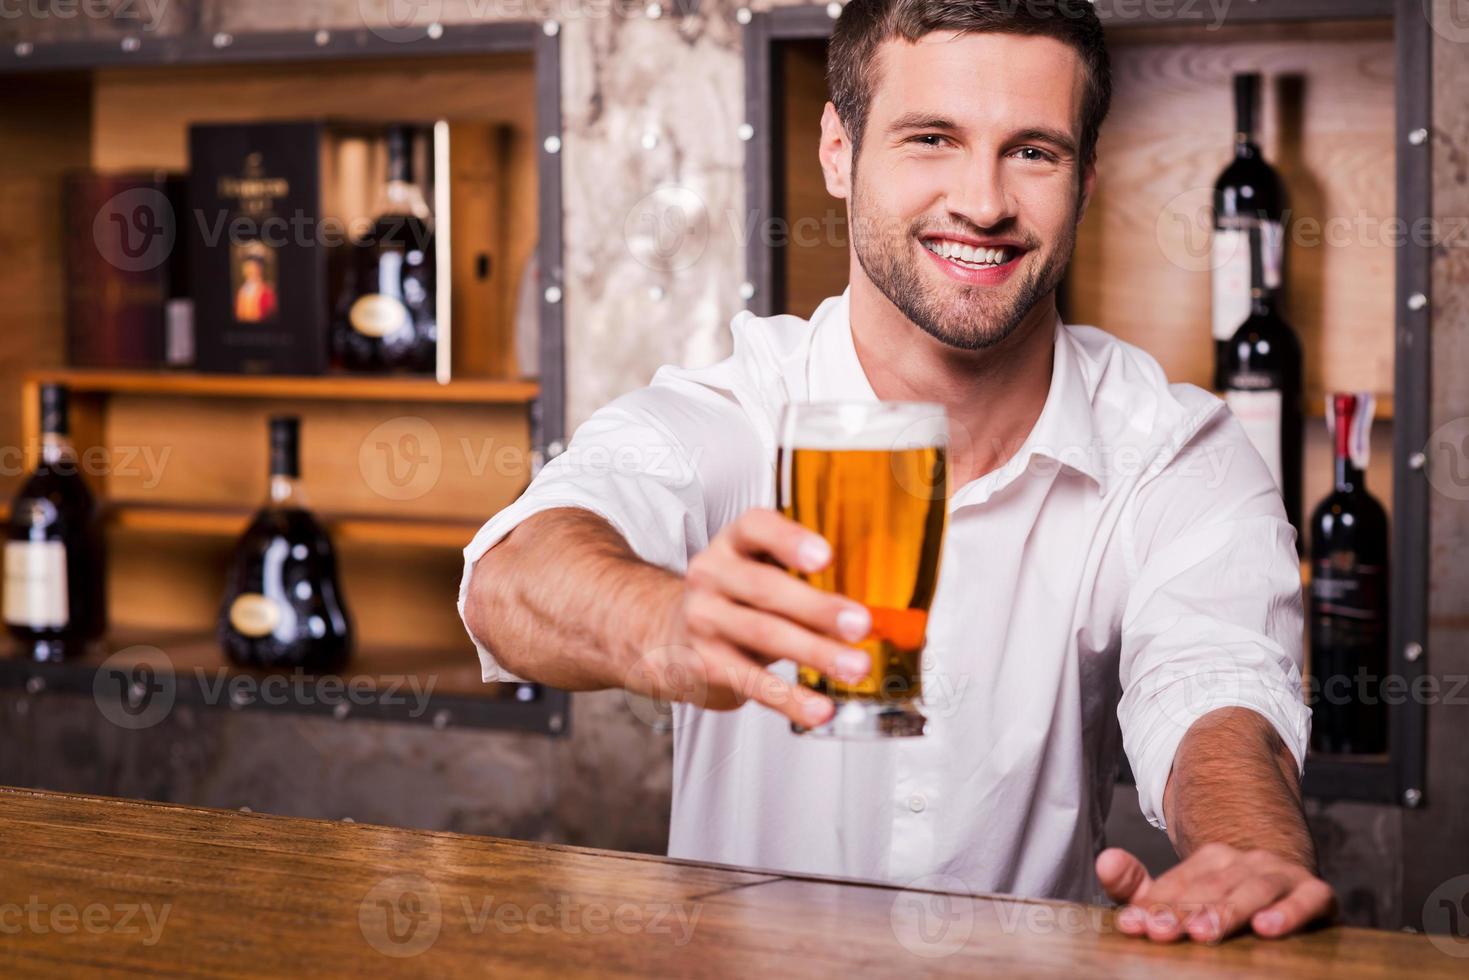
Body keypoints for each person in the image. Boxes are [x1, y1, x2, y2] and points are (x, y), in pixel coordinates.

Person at [460, 0, 1334, 944]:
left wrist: (1246, 851)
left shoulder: (1169, 448)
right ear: (839, 150)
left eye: (1032, 152)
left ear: (1084, 181)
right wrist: (662, 625)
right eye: (931, 138)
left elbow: (1218, 693)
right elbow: (512, 577)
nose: (984, 202)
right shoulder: (738, 410)